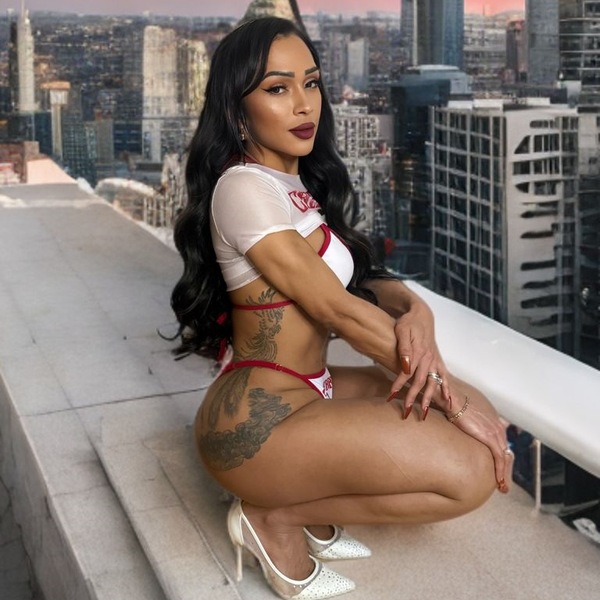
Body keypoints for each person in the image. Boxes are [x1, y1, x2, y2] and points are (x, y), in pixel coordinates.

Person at [170, 16, 513, 600]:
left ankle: (298, 506)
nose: (304, 103)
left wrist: (418, 314)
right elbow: (339, 310)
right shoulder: (243, 188)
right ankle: (273, 516)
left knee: (483, 417)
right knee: (473, 469)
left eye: (311, 82)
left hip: (312, 388)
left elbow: (365, 281)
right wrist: (450, 400)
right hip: (257, 422)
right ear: (237, 110)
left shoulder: (294, 184)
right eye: (277, 88)